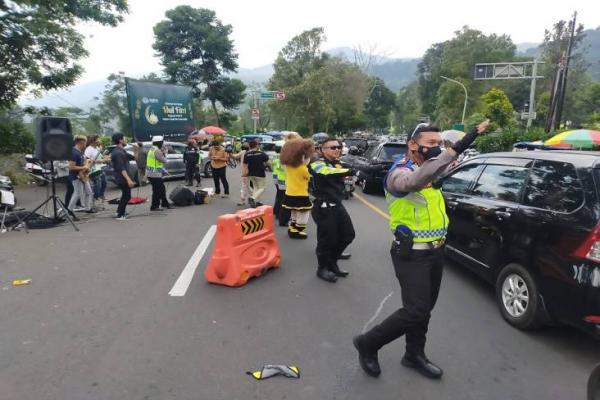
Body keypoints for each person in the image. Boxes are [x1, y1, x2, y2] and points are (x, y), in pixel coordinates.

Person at [353, 120, 490, 380]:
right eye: (431, 144)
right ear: (412, 144)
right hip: (411, 255)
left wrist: (465, 141)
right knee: (416, 310)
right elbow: (415, 181)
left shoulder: (431, 171)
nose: (436, 149)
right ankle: (368, 343)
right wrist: (458, 146)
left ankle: (414, 354)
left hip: (436, 252)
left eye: (440, 144)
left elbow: (435, 173)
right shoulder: (399, 173)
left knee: (424, 309)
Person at [309, 137, 355, 283]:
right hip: (324, 208)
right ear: (322, 150)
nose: (337, 149)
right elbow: (327, 172)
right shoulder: (317, 164)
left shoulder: (339, 163)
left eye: (338, 147)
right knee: (326, 241)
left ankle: (332, 263)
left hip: (337, 205)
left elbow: (350, 167)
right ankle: (322, 268)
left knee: (348, 235)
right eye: (333, 147)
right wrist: (351, 170)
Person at [280, 139, 315, 239]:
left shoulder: (288, 166)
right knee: (303, 214)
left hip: (289, 193)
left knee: (294, 212)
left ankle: (292, 229)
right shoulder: (302, 168)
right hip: (300, 194)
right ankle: (297, 231)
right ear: (303, 157)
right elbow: (310, 177)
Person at [110, 133, 136, 220]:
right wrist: (128, 179)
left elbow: (135, 158)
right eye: (125, 138)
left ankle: (119, 211)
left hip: (123, 177)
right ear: (120, 140)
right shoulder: (117, 153)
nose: (126, 140)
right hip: (122, 178)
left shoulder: (122, 151)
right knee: (127, 196)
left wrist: (136, 149)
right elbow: (121, 168)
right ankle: (120, 215)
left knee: (125, 195)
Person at [68, 135, 95, 214]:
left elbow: (81, 163)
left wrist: (87, 163)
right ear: (82, 142)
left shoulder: (79, 152)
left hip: (83, 175)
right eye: (85, 142)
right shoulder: (74, 152)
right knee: (78, 193)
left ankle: (88, 208)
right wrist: (84, 166)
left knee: (89, 192)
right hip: (76, 177)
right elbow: (71, 167)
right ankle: (70, 210)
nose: (86, 144)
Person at [146, 135, 172, 211]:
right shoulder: (157, 151)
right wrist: (165, 152)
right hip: (154, 174)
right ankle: (154, 206)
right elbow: (164, 160)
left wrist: (164, 171)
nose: (163, 144)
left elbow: (157, 163)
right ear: (159, 143)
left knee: (160, 189)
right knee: (158, 190)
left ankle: (164, 203)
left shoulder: (152, 149)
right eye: (162, 142)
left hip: (151, 173)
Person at [244, 140, 269, 208]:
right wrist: (269, 167)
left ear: (249, 146)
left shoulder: (247, 154)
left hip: (251, 173)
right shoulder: (261, 153)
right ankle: (252, 198)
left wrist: (245, 173)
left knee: (256, 188)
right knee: (262, 188)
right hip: (260, 173)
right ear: (256, 145)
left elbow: (245, 165)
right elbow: (267, 162)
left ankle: (258, 202)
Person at [84, 135, 108, 208]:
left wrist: (104, 156)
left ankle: (100, 196)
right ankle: (94, 199)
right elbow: (88, 160)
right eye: (98, 139)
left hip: (100, 167)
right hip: (93, 169)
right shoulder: (88, 149)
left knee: (104, 182)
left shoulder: (97, 148)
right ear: (93, 141)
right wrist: (98, 159)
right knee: (97, 184)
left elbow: (100, 157)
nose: (100, 140)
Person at [233, 142, 250, 206]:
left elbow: (235, 156)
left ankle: (243, 200)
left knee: (244, 186)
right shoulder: (251, 152)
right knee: (251, 186)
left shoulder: (243, 152)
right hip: (253, 172)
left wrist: (229, 153)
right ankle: (253, 199)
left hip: (244, 172)